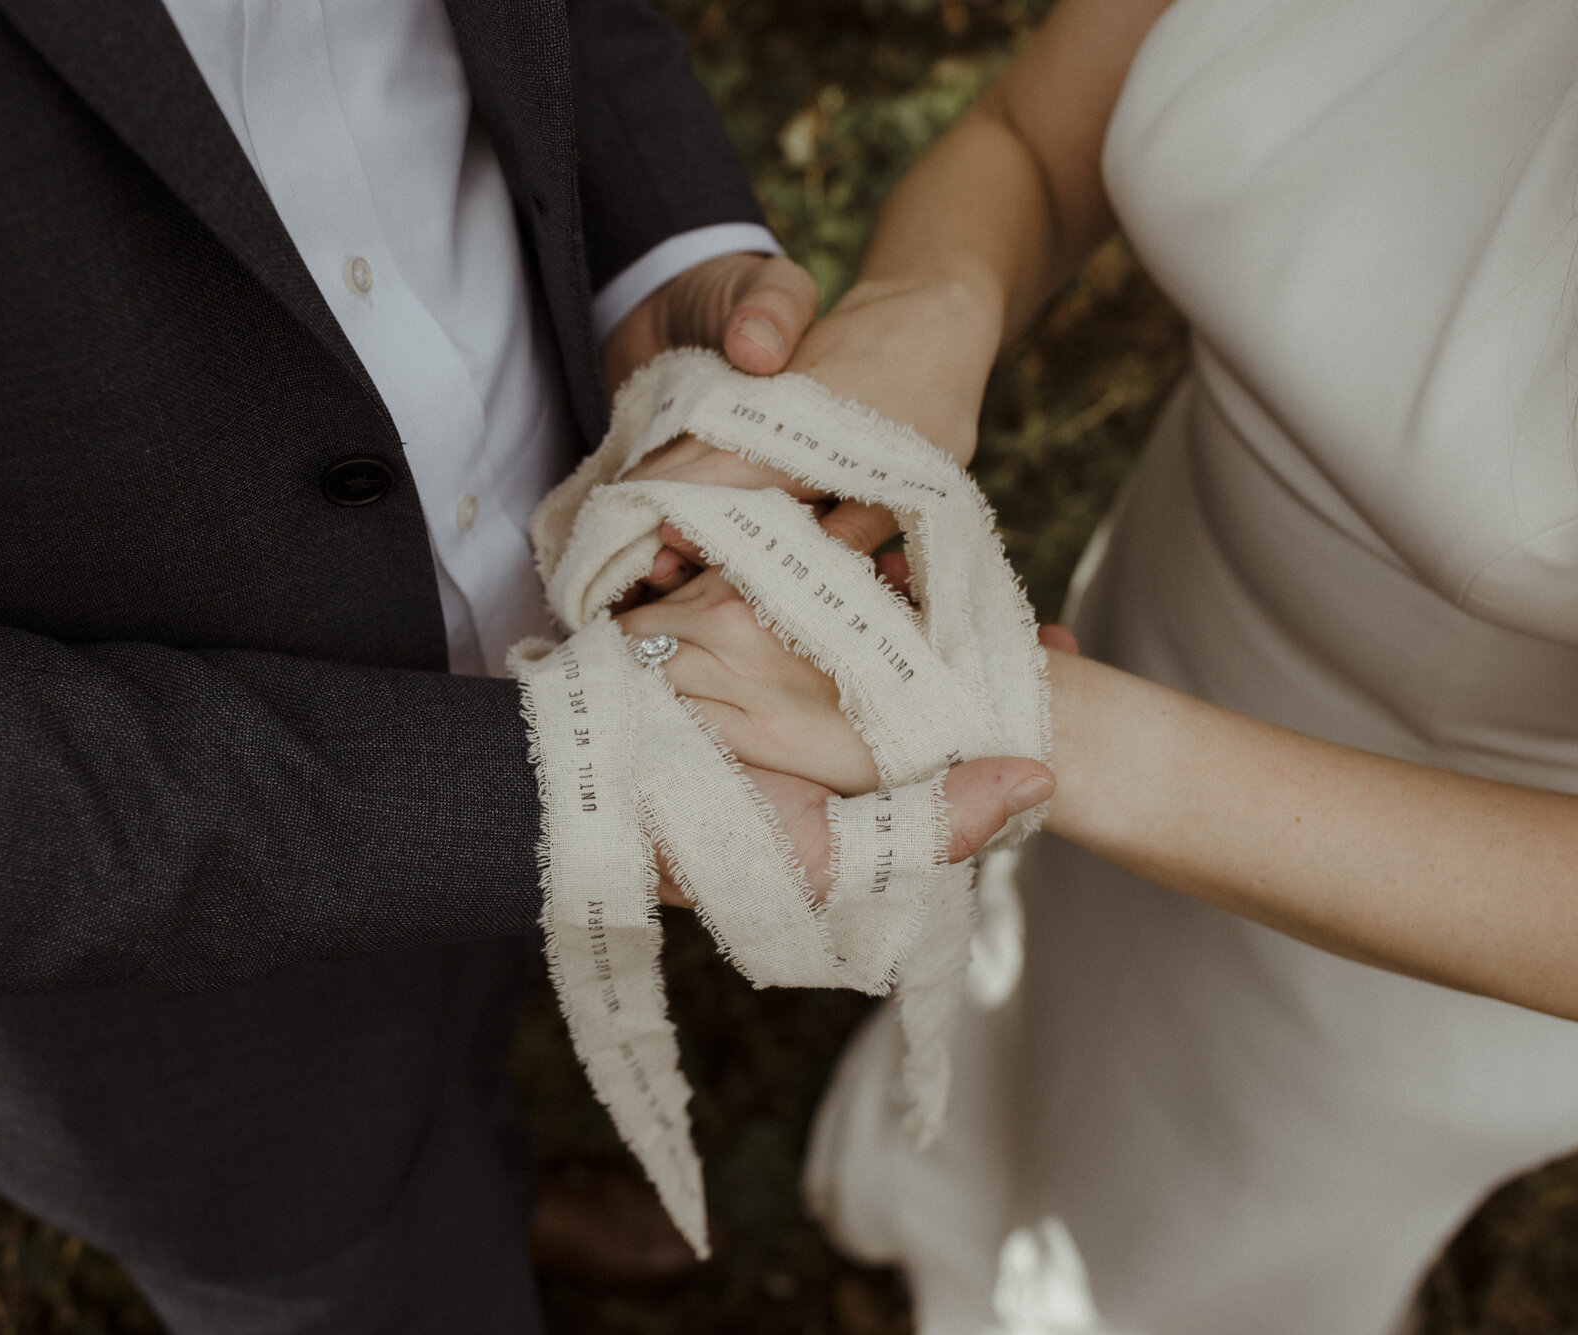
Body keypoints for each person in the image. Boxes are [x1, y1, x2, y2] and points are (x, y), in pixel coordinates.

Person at [0, 1, 877, 1328]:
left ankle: (484, 1167)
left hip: (580, 540)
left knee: (481, 1057)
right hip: (145, 952)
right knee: (351, 1267)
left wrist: (654, 231)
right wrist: (538, 796)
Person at [615, 0, 1578, 1329]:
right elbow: (1035, 133)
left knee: (1195, 1231)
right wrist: (928, 308)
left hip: (1421, 922)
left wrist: (1035, 724)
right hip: (1167, 609)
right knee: (1049, 1004)